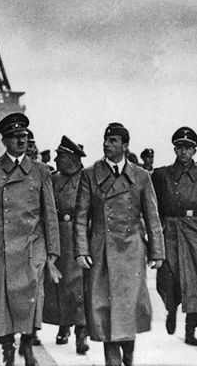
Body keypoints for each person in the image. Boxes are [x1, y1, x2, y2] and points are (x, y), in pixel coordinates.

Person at [0, 112, 60, 366]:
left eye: (24, 136)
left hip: (32, 245)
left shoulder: (41, 171)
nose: (21, 141)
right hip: (1, 245)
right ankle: (7, 348)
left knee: (32, 295)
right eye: (15, 137)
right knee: (1, 301)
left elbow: (49, 212)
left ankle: (27, 343)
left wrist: (53, 248)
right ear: (4, 141)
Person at [74, 122, 164, 366]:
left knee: (129, 306)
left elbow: (151, 215)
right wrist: (81, 250)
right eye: (105, 139)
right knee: (104, 306)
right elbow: (81, 217)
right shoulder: (90, 175)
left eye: (113, 140)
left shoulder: (142, 177)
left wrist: (157, 251)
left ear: (125, 146)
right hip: (101, 250)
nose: (107, 144)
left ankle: (129, 353)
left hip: (131, 250)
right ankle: (112, 361)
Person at [42, 136, 89, 354]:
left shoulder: (87, 179)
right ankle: (63, 325)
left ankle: (81, 330)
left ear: (71, 158)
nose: (55, 159)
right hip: (56, 234)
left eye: (60, 156)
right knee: (57, 285)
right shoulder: (52, 179)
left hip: (79, 236)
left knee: (78, 285)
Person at [152, 127, 197, 344]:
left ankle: (191, 329)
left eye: (188, 148)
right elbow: (152, 205)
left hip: (194, 230)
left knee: (194, 281)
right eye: (180, 147)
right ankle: (171, 307)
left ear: (194, 150)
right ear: (174, 149)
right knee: (168, 275)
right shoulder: (162, 175)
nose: (183, 152)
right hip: (168, 229)